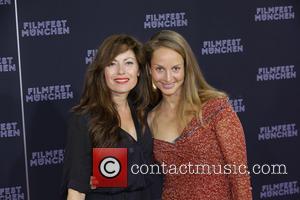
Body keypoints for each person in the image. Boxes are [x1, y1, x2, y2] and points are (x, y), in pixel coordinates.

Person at [144, 30, 252, 200]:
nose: (168, 77)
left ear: (187, 68)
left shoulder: (215, 108)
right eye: (159, 69)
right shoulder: (150, 119)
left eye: (175, 68)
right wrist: (101, 179)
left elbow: (239, 177)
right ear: (149, 70)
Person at [61, 34, 162, 200]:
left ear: (139, 70)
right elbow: (76, 190)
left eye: (128, 63)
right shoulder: (84, 119)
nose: (121, 71)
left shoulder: (146, 109)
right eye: (112, 64)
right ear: (102, 71)